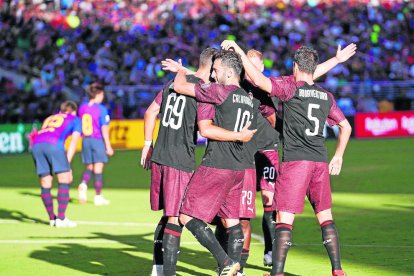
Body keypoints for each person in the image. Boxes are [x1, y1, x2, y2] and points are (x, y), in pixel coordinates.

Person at [222, 40, 353, 276]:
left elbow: (259, 81)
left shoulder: (291, 88)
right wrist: (339, 157)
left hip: (296, 162)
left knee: (283, 219)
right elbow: (346, 126)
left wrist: (239, 51)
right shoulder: (326, 96)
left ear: (294, 67)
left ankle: (277, 273)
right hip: (321, 161)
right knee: (325, 217)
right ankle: (338, 270)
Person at [173, 50, 255, 276]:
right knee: (232, 222)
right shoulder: (248, 99)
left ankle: (226, 261)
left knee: (187, 216)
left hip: (217, 164)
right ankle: (236, 272)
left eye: (216, 70)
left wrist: (181, 71)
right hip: (239, 168)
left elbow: (181, 89)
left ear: (229, 73)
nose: (212, 74)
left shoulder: (220, 92)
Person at [140, 48, 218, 276]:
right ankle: (169, 272)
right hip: (179, 158)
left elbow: (150, 112)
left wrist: (147, 143)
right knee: (176, 216)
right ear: (213, 68)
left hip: (159, 155)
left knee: (168, 214)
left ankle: (158, 268)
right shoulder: (202, 90)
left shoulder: (173, 83)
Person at [31, 101, 81, 228]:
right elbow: (74, 142)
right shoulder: (75, 119)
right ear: (73, 111)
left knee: (46, 182)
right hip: (54, 145)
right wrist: (67, 164)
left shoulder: (49, 118)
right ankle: (61, 218)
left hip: (36, 145)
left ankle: (52, 218)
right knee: (64, 179)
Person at [78, 82, 114, 206]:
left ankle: (83, 184)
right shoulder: (101, 109)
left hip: (85, 140)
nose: (103, 96)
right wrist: (108, 146)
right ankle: (98, 196)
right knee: (98, 168)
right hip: (96, 139)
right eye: (102, 94)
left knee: (89, 167)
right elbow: (104, 128)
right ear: (98, 94)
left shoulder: (82, 107)